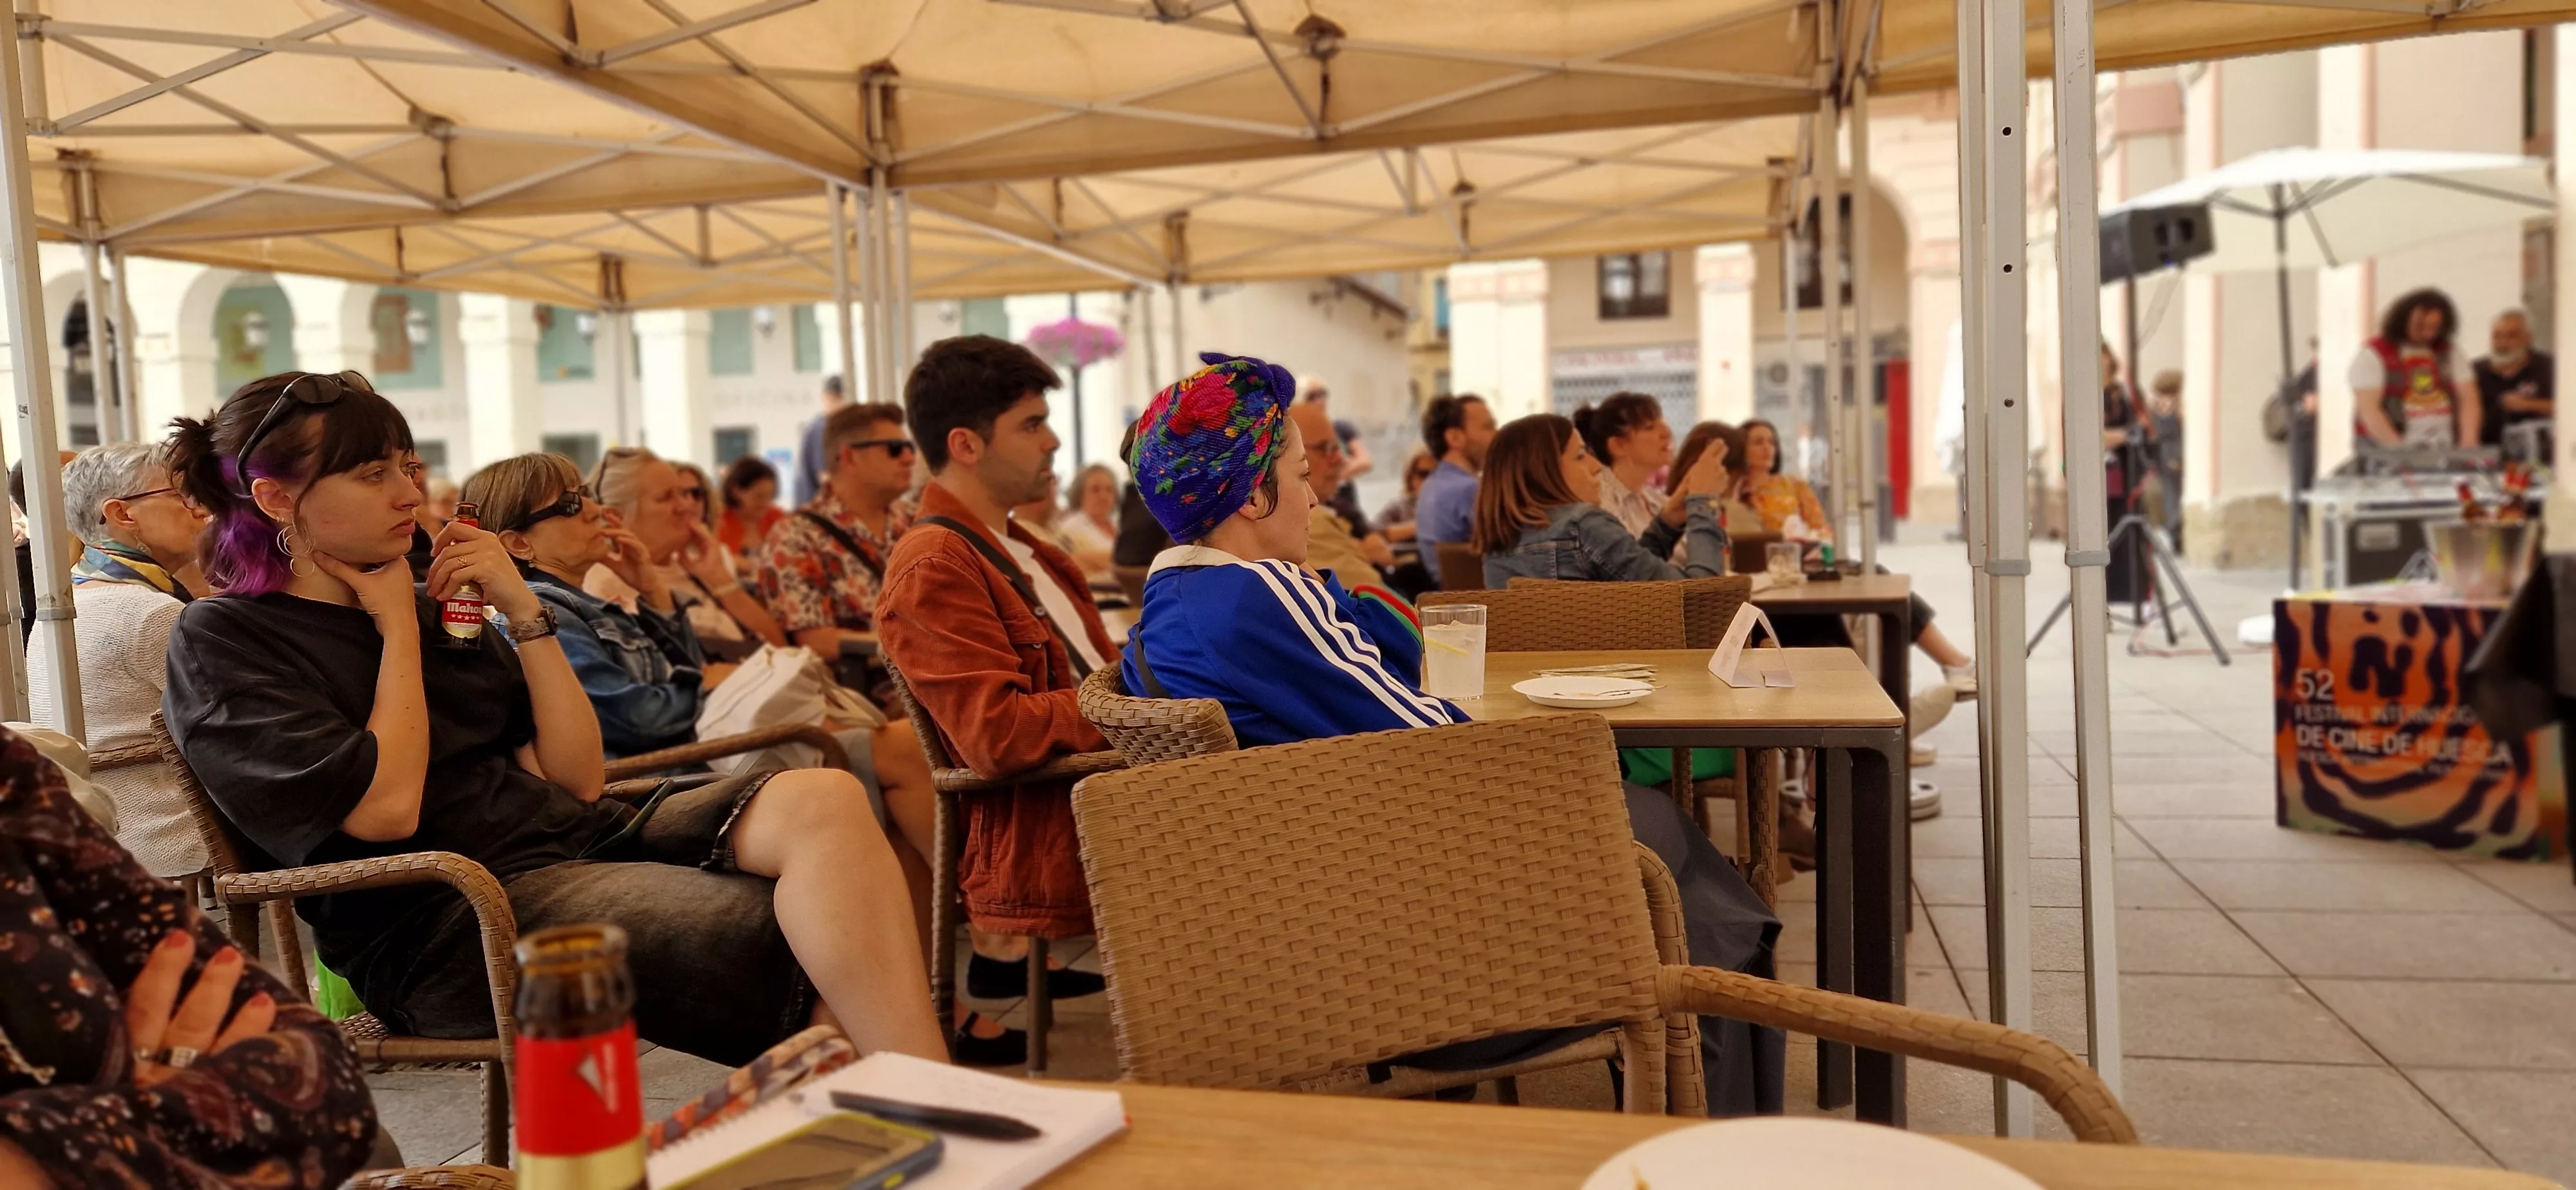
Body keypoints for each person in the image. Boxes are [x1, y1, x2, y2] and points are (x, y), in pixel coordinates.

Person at [160, 370, 945, 1068]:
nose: (407, 495)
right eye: (373, 475)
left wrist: (524, 609)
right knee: (807, 934)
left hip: (569, 838)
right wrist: (395, 627)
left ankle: (926, 1095)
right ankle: (928, 1107)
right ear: (275, 498)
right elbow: (387, 812)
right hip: (446, 918)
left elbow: (578, 778)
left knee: (826, 797)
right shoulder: (225, 637)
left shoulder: (438, 600)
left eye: (406, 468)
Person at [1119, 354, 1783, 1114]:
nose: (1314, 496)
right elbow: (1441, 744)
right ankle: (1715, 1114)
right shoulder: (1257, 596)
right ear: (1248, 494)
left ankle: (1704, 1085)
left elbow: (1394, 673)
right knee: (1675, 858)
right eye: (1300, 476)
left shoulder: (1168, 607)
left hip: (1317, 923)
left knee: (1690, 883)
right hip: (1423, 945)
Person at [0, 729, 380, 1189]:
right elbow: (387, 814)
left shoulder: (11, 774)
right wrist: (147, 1105)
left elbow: (325, 1080)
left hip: (143, 810)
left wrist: (98, 1130)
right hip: (167, 819)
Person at [875, 335, 1122, 967]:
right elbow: (997, 734)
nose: (1053, 441)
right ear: (965, 445)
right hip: (1073, 822)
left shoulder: (1030, 550)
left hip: (1117, 788)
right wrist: (1141, 699)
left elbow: (1095, 676)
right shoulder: (936, 564)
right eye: (1031, 425)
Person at [27, 442, 210, 880]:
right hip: (169, 828)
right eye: (181, 495)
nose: (201, 510)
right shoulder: (148, 613)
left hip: (99, 825)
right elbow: (235, 725)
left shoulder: (69, 603)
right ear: (122, 514)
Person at [1475, 413, 1729, 587]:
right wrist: (1704, 501)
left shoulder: (1500, 540)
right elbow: (1700, 595)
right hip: (1634, 655)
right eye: (1580, 456)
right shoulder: (1583, 524)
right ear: (1544, 471)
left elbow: (1622, 575)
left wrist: (1667, 523)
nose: (1596, 466)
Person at [591, 446, 789, 666]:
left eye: (687, 494)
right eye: (666, 497)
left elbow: (780, 647)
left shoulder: (692, 566)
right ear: (616, 517)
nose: (686, 505)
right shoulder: (606, 583)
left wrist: (719, 578)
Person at [761, 402, 914, 659]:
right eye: (894, 449)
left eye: (911, 448)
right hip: (872, 680)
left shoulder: (917, 519)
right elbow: (816, 642)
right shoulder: (797, 535)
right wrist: (915, 647)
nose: (910, 458)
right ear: (849, 457)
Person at [1287, 399, 1399, 590]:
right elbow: (1371, 589)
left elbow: (1382, 554)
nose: (1339, 459)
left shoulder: (1337, 507)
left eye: (1337, 447)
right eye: (1325, 448)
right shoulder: (1304, 523)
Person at [2353, 288, 2477, 449]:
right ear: (2404, 320)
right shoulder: (2374, 353)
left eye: (2435, 327)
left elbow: (2468, 399)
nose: (2428, 334)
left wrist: (2468, 443)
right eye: (2421, 326)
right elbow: (2369, 410)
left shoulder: (2449, 352)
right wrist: (2401, 452)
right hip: (2387, 449)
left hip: (2444, 446)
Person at [1411, 393, 1495, 563]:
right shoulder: (1469, 489)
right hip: (1476, 580)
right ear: (1455, 438)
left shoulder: (1429, 486)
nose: (1497, 434)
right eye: (1488, 427)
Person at [2473, 307, 2553, 458]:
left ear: (2528, 338)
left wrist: (2529, 404)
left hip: (2539, 458)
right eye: (2497, 336)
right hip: (2486, 456)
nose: (2502, 343)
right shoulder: (2475, 371)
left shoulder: (2550, 368)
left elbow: (2569, 409)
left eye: (2512, 336)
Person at [793, 374, 849, 507]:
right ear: (825, 398)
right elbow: (826, 478)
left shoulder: (821, 426)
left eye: (841, 399)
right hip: (817, 508)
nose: (840, 405)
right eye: (835, 399)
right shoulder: (823, 429)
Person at [1059, 462, 1121, 582]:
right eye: (1095, 490)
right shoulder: (1070, 528)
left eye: (1109, 490)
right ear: (1080, 494)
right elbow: (1072, 562)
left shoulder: (1120, 523)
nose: (1103, 496)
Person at [717, 454, 786, 557]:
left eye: (770, 496)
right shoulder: (719, 523)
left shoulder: (779, 519)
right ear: (736, 491)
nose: (766, 503)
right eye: (759, 496)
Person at [1377, 449, 1437, 544]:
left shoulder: (1457, 506)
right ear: (1411, 477)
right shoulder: (1400, 506)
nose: (1430, 481)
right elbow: (1371, 534)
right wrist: (1418, 528)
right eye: (1423, 474)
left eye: (1438, 475)